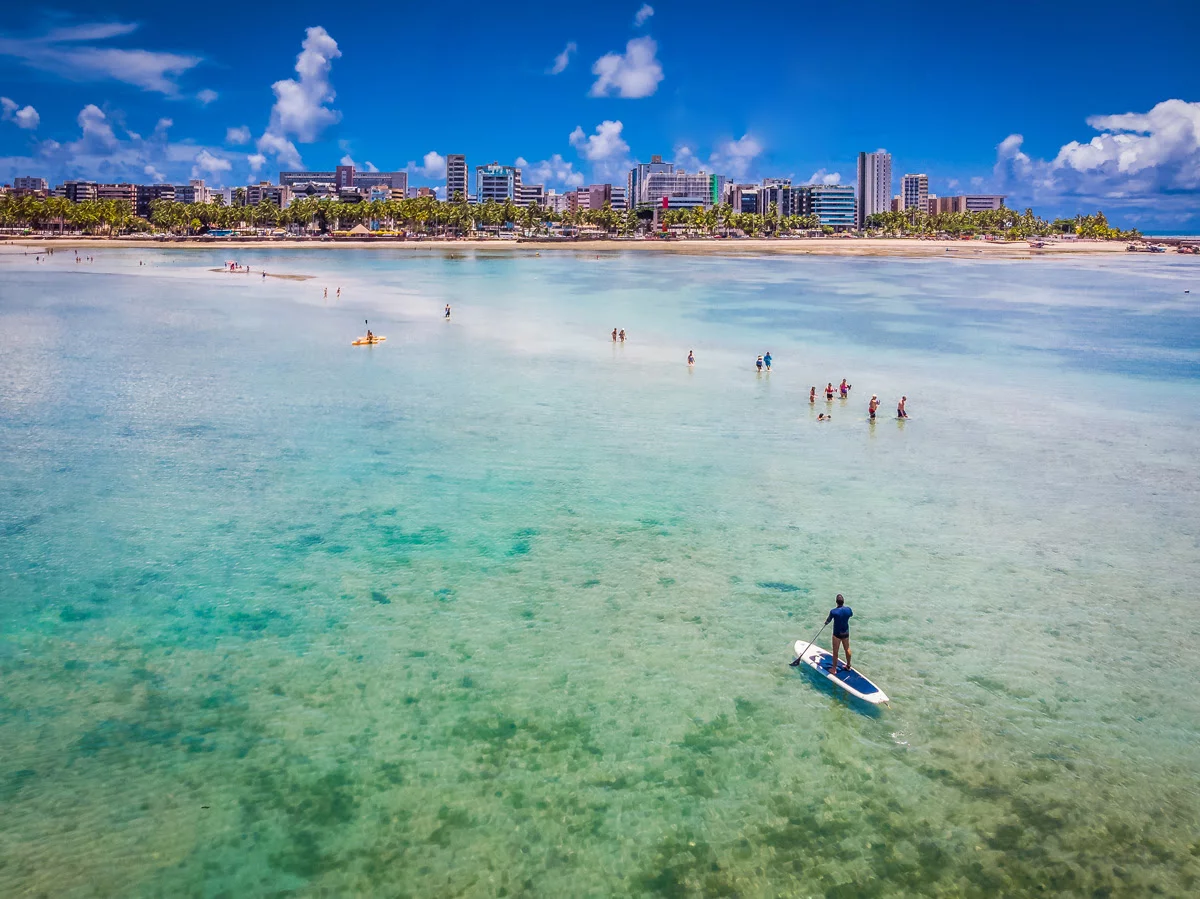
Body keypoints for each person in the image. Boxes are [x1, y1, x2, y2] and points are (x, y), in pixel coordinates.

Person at [826, 594, 853, 674]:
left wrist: (826, 622)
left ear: (836, 602)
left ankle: (834, 669)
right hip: (846, 633)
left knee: (835, 651)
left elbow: (828, 620)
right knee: (847, 649)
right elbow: (851, 615)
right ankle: (848, 666)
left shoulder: (833, 611)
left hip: (837, 634)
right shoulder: (848, 609)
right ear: (843, 602)